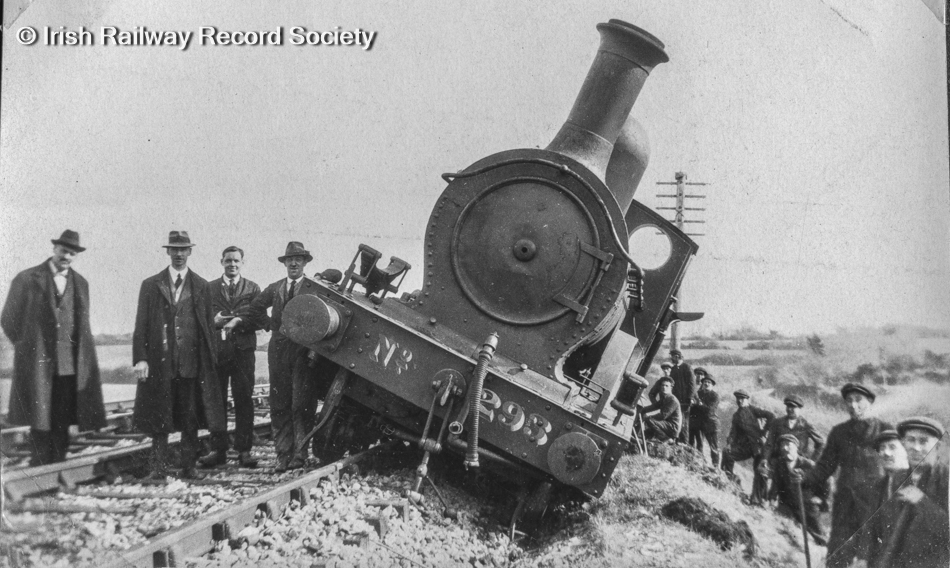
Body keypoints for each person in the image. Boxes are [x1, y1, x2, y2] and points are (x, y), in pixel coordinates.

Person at [1, 230, 107, 465]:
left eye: (72, 253)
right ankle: (39, 464)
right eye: (63, 251)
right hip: (38, 361)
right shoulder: (27, 278)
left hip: (69, 364)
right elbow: (8, 318)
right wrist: (26, 346)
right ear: (54, 250)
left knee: (62, 416)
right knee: (40, 417)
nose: (66, 256)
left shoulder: (80, 283)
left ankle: (57, 463)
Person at [132, 231, 226, 479]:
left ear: (190, 252)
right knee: (159, 418)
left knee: (190, 418)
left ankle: (189, 467)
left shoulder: (202, 286)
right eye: (174, 249)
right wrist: (140, 358)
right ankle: (158, 469)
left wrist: (209, 362)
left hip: (191, 364)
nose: (179, 254)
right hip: (161, 364)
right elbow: (141, 324)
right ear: (168, 252)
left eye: (183, 249)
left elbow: (207, 327)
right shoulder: (151, 285)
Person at [244, 242, 330, 473]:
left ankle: (300, 454)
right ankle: (283, 455)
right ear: (285, 263)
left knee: (302, 404)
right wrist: (272, 325)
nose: (293, 263)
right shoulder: (276, 288)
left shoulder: (314, 289)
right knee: (280, 402)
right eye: (290, 260)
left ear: (304, 263)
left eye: (298, 260)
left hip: (303, 353)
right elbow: (254, 309)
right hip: (279, 351)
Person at [802, 383, 892, 568]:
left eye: (858, 400)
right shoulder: (839, 432)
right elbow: (825, 465)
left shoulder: (885, 430)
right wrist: (804, 480)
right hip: (845, 502)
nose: (853, 405)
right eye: (849, 401)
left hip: (875, 502)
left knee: (875, 553)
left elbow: (899, 467)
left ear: (870, 402)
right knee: (837, 552)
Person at [198, 246, 262, 469]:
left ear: (243, 262)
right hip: (218, 353)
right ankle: (218, 450)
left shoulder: (253, 289)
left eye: (236, 261)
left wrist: (239, 321)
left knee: (244, 399)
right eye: (228, 261)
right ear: (221, 262)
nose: (232, 264)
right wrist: (212, 323)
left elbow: (259, 319)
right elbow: (201, 320)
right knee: (216, 402)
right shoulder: (209, 288)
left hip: (243, 353)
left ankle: (244, 451)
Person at [867, 418, 948, 568]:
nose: (916, 448)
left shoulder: (946, 479)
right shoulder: (897, 479)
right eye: (911, 440)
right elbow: (881, 530)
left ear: (938, 446)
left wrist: (922, 502)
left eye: (923, 442)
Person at [762, 394, 828, 508]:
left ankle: (793, 506)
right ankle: (763, 500)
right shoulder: (777, 423)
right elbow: (769, 444)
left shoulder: (806, 425)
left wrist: (812, 460)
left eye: (793, 407)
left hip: (797, 461)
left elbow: (821, 443)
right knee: (762, 470)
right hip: (778, 459)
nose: (790, 409)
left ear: (799, 409)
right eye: (788, 406)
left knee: (798, 486)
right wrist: (764, 459)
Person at [768, 434, 827, 546]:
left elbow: (826, 481)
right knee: (781, 526)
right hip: (787, 503)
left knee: (819, 535)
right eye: (782, 446)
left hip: (807, 504)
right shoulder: (780, 464)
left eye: (788, 445)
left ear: (796, 448)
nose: (785, 448)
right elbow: (775, 483)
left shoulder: (808, 465)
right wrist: (772, 498)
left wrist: (820, 498)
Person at [721, 389, 774, 505]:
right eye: (738, 399)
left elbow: (771, 416)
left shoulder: (753, 410)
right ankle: (729, 481)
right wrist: (729, 443)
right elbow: (733, 432)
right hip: (745, 448)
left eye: (742, 398)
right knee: (727, 453)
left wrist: (764, 432)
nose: (739, 401)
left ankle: (759, 499)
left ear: (747, 400)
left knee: (760, 472)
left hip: (758, 447)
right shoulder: (736, 416)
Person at [689, 370, 722, 466]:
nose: (706, 384)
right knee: (700, 444)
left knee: (713, 447)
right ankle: (700, 463)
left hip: (711, 424)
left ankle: (715, 466)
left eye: (709, 382)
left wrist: (698, 404)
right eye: (705, 382)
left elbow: (709, 410)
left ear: (712, 385)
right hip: (700, 423)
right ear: (702, 383)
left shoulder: (715, 396)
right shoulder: (698, 393)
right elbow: (694, 406)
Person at [638, 376, 682, 443]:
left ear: (671, 388)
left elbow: (663, 416)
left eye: (667, 386)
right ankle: (645, 438)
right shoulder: (665, 398)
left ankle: (666, 439)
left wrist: (648, 417)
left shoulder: (672, 400)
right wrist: (642, 410)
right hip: (667, 425)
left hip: (673, 427)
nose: (664, 387)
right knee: (648, 429)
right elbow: (654, 406)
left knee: (650, 420)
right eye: (662, 385)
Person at [668, 349, 696, 444]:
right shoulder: (674, 369)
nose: (671, 358)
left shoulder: (687, 367)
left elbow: (692, 384)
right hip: (676, 400)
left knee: (684, 421)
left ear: (677, 356)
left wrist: (690, 398)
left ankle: (684, 442)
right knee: (676, 419)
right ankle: (677, 440)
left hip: (685, 401)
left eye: (672, 356)